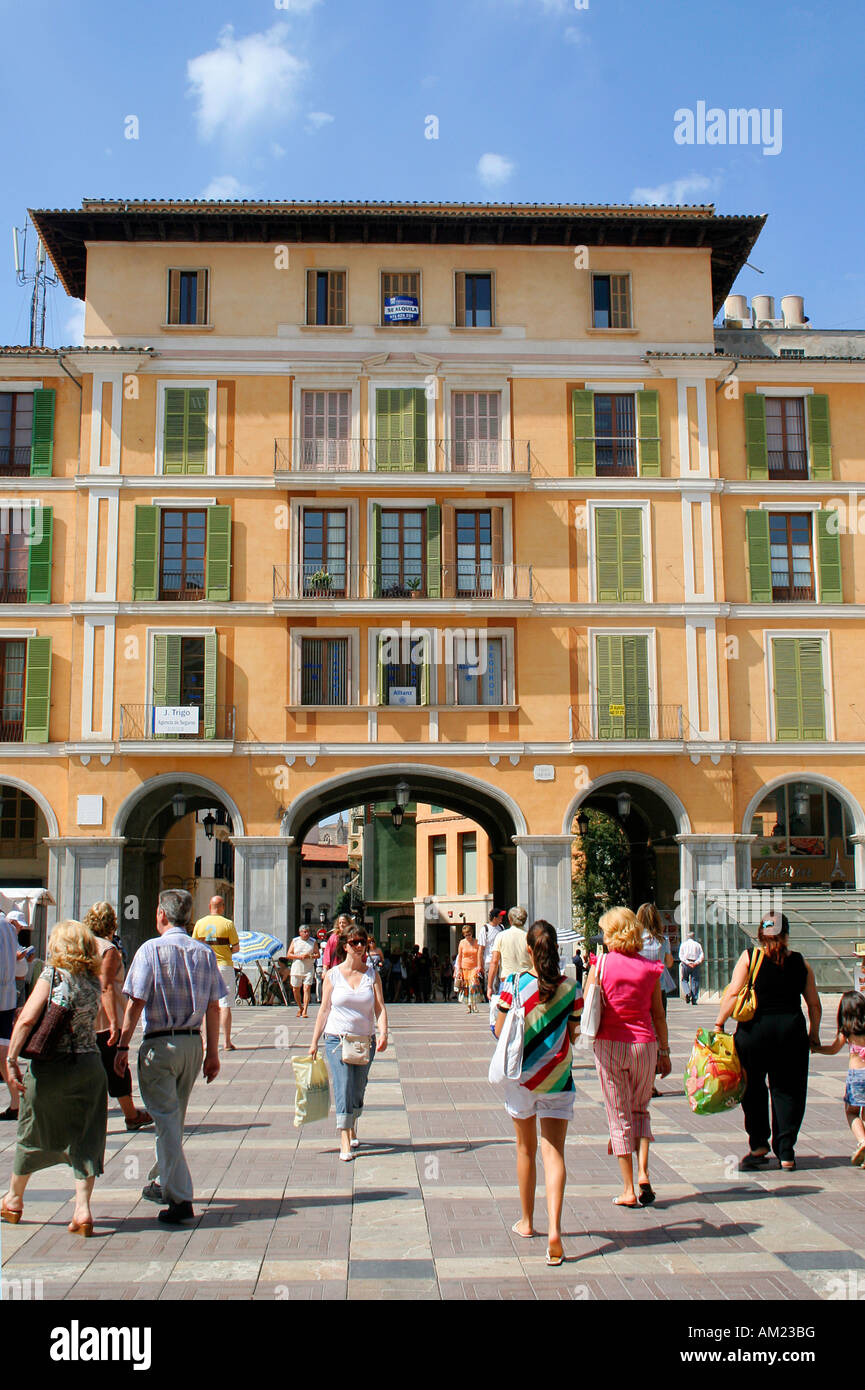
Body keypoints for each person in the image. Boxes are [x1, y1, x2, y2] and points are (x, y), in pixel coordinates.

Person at [115, 889, 222, 1225]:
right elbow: (214, 1005)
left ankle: (180, 1198)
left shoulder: (150, 950)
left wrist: (121, 1045)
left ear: (161, 914)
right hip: (193, 1045)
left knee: (165, 1121)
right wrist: (213, 1053)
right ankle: (163, 1180)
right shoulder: (204, 953)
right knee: (173, 1120)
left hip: (160, 1045)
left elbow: (135, 1002)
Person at [1, 920, 108, 1235]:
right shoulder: (92, 980)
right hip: (89, 1066)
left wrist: (11, 1059)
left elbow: (27, 1020)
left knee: (32, 1129)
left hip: (51, 1067)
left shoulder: (52, 975)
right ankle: (83, 1211)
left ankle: (14, 1200)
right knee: (87, 1136)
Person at [493, 920, 583, 1265]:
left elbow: (501, 1030)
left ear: (529, 949)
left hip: (523, 1079)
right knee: (554, 1153)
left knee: (525, 1149)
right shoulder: (571, 989)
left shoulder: (514, 984)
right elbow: (574, 1035)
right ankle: (556, 1229)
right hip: (558, 1078)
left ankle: (528, 1222)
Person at [714, 911, 821, 1172]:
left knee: (753, 1088)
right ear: (786, 935)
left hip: (754, 1033)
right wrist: (814, 1033)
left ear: (761, 934)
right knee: (788, 1091)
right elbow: (814, 1004)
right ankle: (786, 1152)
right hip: (791, 1033)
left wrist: (719, 1023)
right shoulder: (800, 962)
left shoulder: (751, 957)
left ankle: (759, 1144)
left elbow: (733, 993)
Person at [587, 907, 671, 1208]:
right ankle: (644, 1172)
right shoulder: (651, 968)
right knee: (640, 1111)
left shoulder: (602, 964)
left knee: (618, 1116)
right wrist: (665, 1051)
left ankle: (627, 1189)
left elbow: (588, 1002)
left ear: (612, 935)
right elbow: (658, 1015)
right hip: (645, 1046)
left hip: (610, 1044)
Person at [308, 922, 388, 1160]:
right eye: (355, 943)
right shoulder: (332, 975)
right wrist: (314, 1042)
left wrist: (383, 1033)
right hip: (336, 1039)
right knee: (342, 1084)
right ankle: (344, 1136)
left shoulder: (372, 975)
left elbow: (380, 1008)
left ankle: (352, 1122)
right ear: (345, 946)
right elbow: (324, 1010)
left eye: (363, 942)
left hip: (365, 1040)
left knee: (357, 1088)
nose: (361, 946)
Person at [82, 901, 152, 1132]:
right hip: (104, 1016)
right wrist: (113, 1022)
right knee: (116, 1064)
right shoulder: (107, 949)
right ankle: (131, 1115)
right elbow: (106, 986)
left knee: (91, 1065)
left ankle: (90, 1115)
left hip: (83, 1014)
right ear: (112, 923)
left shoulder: (81, 945)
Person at [812, 991, 865, 1166]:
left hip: (856, 1078)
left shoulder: (847, 1031)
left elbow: (834, 1049)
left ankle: (863, 1142)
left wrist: (817, 1048)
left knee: (852, 1112)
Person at [636, 902, 676, 1097]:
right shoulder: (663, 939)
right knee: (657, 1032)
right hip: (658, 989)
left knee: (642, 1032)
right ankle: (650, 1082)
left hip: (639, 990)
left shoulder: (635, 939)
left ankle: (640, 1080)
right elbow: (668, 962)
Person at [192, 895, 240, 1050]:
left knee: (208, 1004)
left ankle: (206, 1043)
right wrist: (226, 950)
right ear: (223, 907)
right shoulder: (228, 924)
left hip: (205, 966)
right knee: (225, 1004)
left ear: (209, 906)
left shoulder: (200, 923)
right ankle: (226, 1042)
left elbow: (194, 945)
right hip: (224, 965)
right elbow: (236, 948)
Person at [0, 909, 20, 1121]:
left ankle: (17, 1102)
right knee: (4, 1052)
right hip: (6, 996)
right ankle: (16, 1102)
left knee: (4, 1053)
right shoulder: (7, 926)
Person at [490, 907, 532, 1000]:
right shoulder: (529, 937)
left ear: (510, 920)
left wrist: (489, 986)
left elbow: (494, 961)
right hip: (526, 981)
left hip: (507, 981)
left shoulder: (501, 936)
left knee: (505, 1012)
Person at [287, 924, 319, 1017]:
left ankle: (305, 1010)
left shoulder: (313, 941)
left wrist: (309, 956)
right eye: (304, 932)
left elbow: (317, 954)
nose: (306, 933)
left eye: (308, 931)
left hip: (308, 968)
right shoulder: (295, 941)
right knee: (295, 989)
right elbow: (289, 954)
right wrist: (299, 956)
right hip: (297, 967)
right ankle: (300, 1007)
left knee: (307, 988)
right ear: (300, 933)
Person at [455, 924, 483, 1014]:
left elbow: (479, 956)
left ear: (472, 933)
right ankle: (468, 1007)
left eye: (469, 934)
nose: (468, 937)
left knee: (473, 986)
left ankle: (474, 1005)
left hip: (474, 967)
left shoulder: (477, 942)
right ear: (464, 935)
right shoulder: (462, 943)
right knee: (466, 988)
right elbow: (459, 956)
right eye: (466, 935)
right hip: (464, 967)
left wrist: (479, 966)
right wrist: (458, 969)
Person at [478, 908, 505, 1000]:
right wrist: (479, 965)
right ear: (494, 918)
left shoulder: (501, 928)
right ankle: (493, 1004)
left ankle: (498, 1005)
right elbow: (480, 949)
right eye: (500, 916)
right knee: (492, 986)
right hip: (489, 961)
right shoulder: (485, 929)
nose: (502, 918)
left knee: (499, 985)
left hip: (500, 962)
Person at [679, 930, 705, 1005]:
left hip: (686, 963)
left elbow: (681, 955)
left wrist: (687, 962)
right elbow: (701, 955)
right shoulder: (697, 945)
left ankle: (687, 992)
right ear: (693, 936)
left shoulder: (683, 944)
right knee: (695, 981)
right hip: (695, 963)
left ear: (687, 937)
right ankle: (694, 998)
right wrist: (696, 962)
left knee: (684, 979)